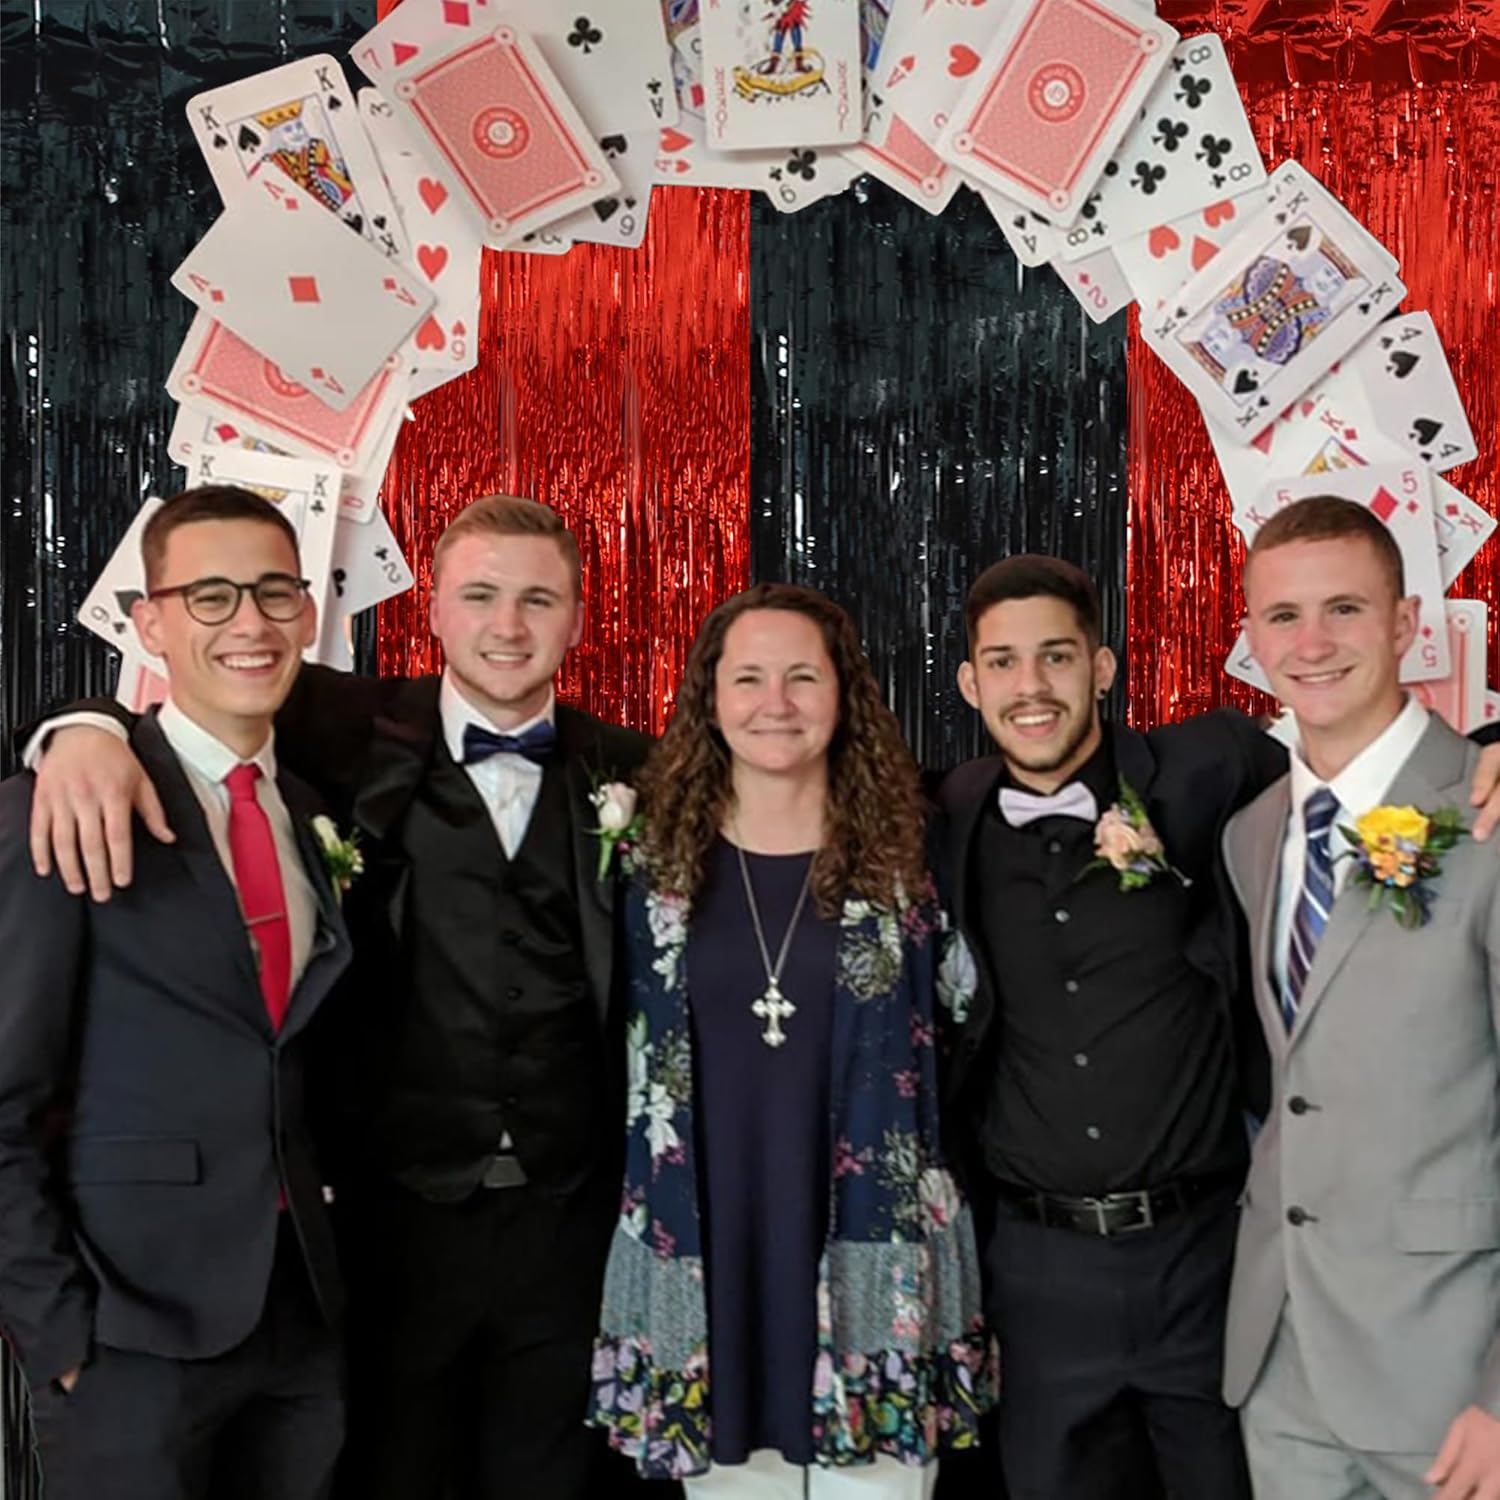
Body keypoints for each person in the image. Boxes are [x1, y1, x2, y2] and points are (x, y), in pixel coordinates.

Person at [18, 494, 656, 1499]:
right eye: (480, 595)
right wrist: (78, 728)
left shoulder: (641, 767)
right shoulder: (345, 728)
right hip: (377, 1233)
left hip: (570, 1226)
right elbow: (184, 698)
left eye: (539, 600)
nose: (507, 625)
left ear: (578, 617)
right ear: (431, 611)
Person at [937, 554, 1500, 1500]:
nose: (1030, 686)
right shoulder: (947, 815)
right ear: (969, 683)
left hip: (1209, 1265)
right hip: (1037, 1276)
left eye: (1057, 656)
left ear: (1102, 667)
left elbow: (1360, 758)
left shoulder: (1211, 771)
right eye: (1002, 662)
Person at [586, 582, 994, 1497]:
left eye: (803, 676)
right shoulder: (648, 863)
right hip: (707, 1252)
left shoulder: (917, 855)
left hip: (878, 1256)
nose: (776, 702)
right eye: (749, 678)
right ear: (710, 697)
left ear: (844, 693)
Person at [0, 486, 354, 1500]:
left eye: (275, 592)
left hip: (301, 1326)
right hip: (127, 1337)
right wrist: (60, 1339)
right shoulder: (67, 803)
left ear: (308, 614)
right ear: (149, 623)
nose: (250, 622)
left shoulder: (315, 809)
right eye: (210, 596)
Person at [1222, 496, 1500, 1500]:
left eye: (1344, 608)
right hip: (1280, 1361)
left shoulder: (1484, 811)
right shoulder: (1253, 831)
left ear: (1405, 624)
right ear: (1252, 639)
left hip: (1449, 1370)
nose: (1312, 644)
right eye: (1283, 616)